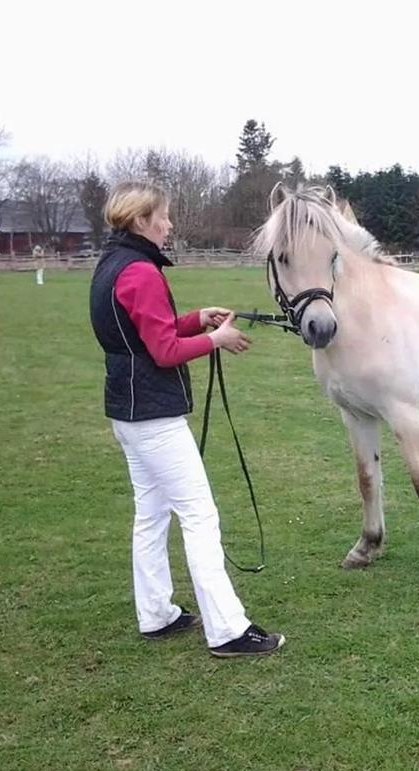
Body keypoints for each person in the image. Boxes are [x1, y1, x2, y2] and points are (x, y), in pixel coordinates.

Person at [88, 180, 285, 658]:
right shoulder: (140, 272)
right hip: (153, 416)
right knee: (199, 514)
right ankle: (228, 630)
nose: (170, 223)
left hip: (128, 412)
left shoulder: (113, 265)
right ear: (141, 221)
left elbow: (145, 334)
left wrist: (197, 319)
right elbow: (163, 350)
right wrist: (215, 341)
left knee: (152, 514)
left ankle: (155, 614)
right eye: (164, 216)